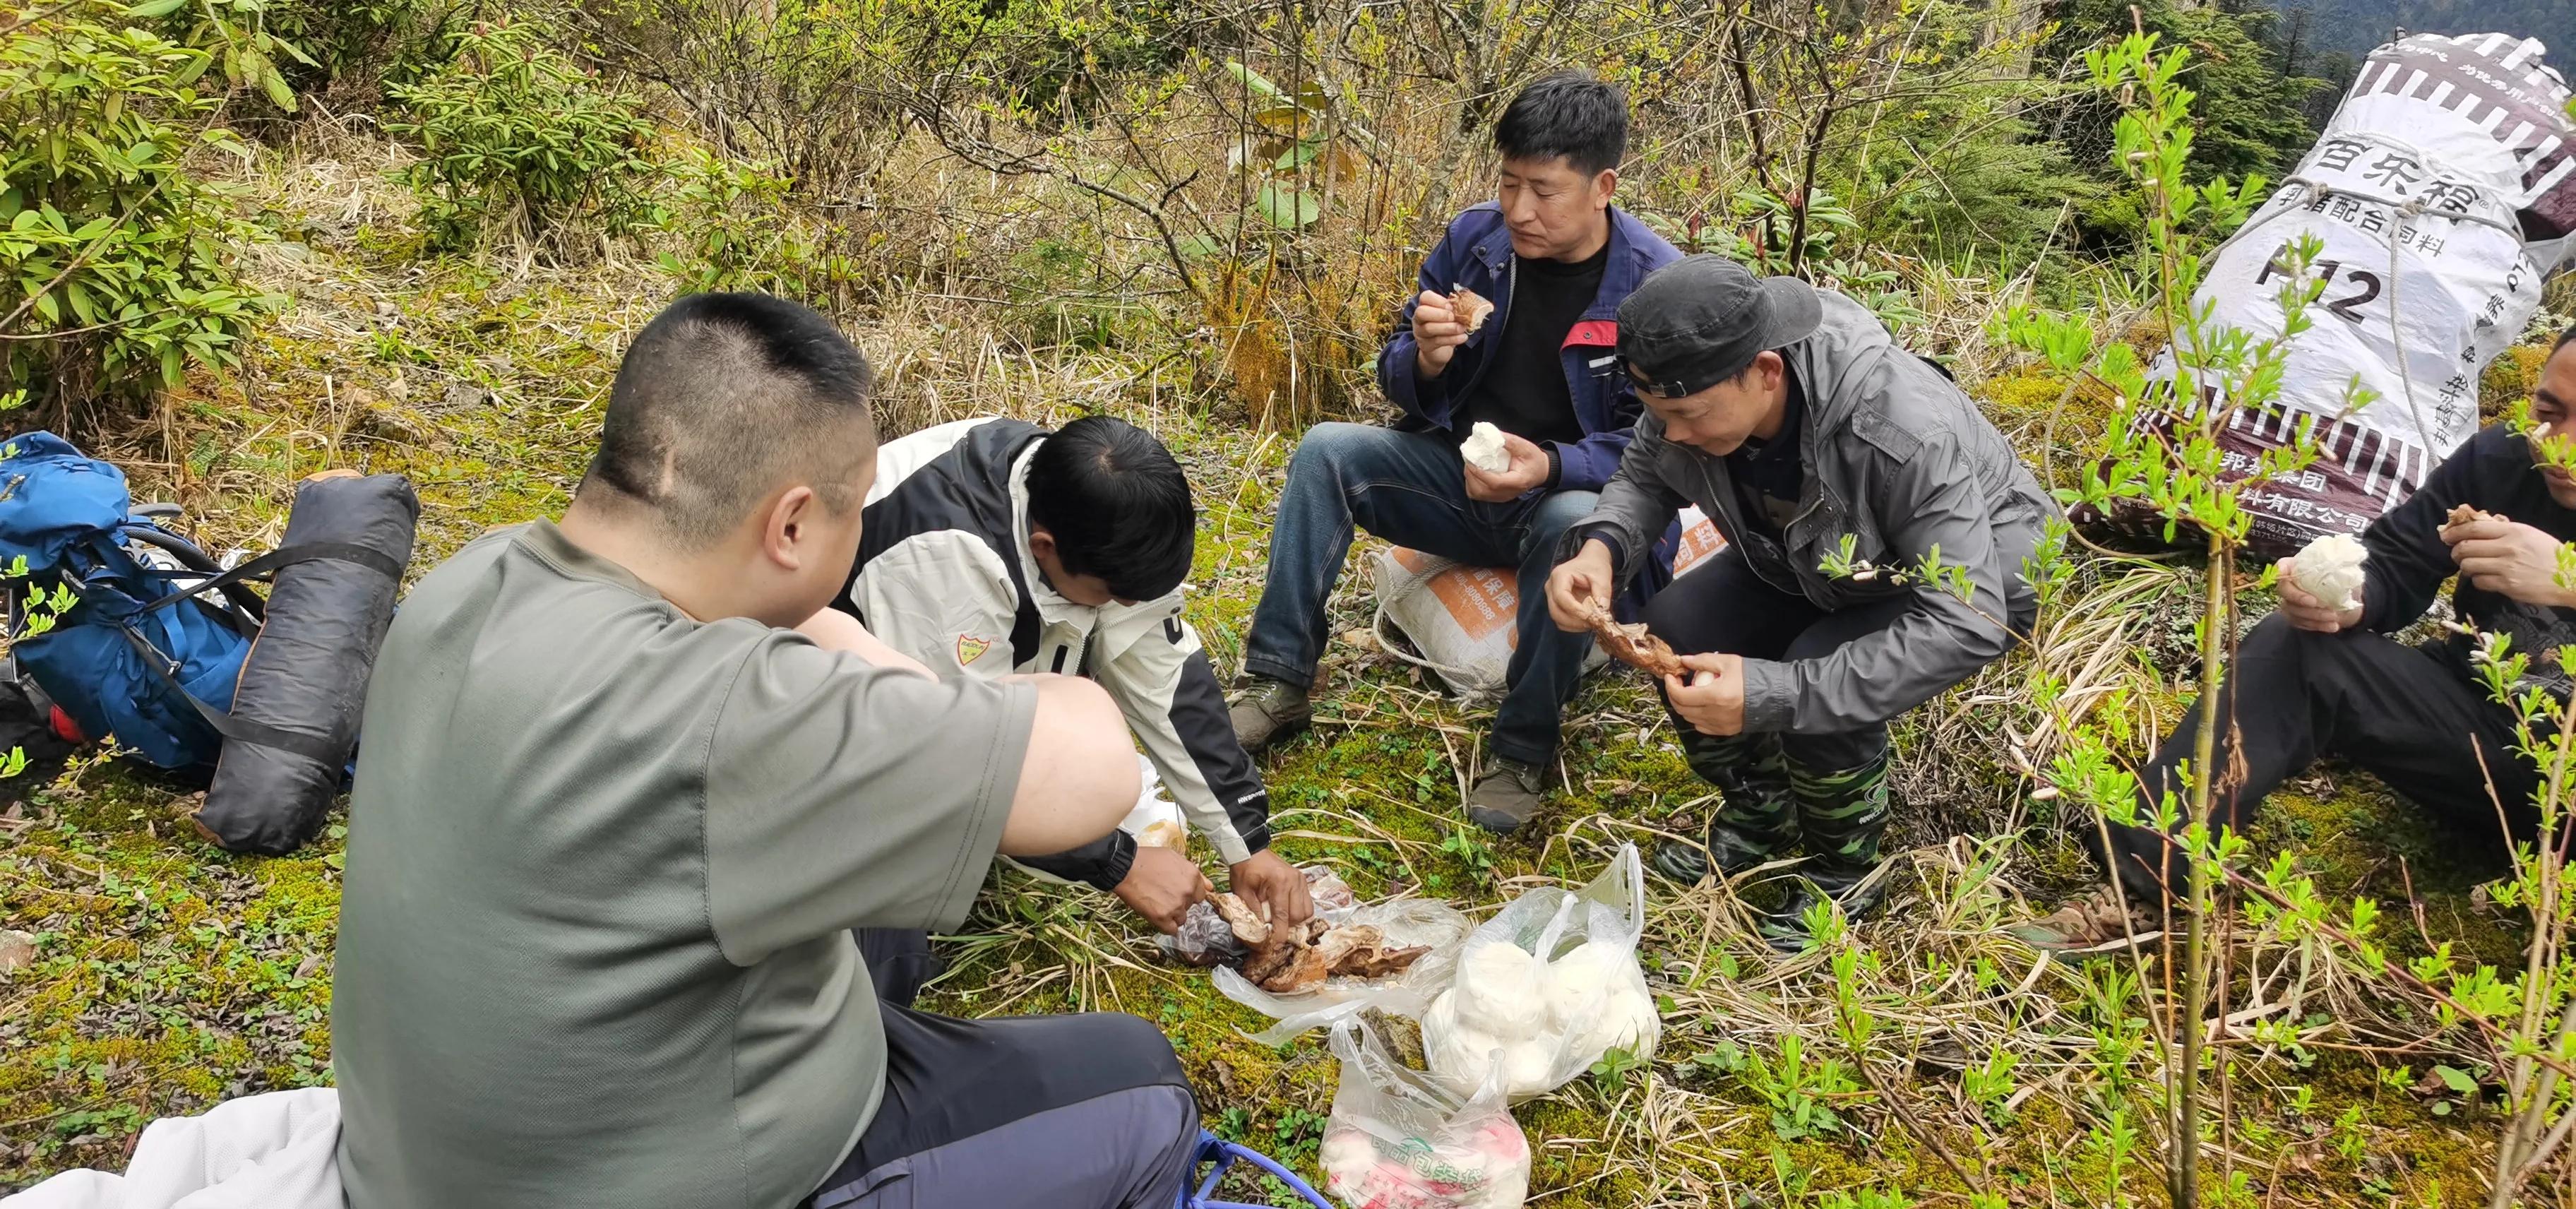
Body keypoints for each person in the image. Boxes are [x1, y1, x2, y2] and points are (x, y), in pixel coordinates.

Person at [330, 293, 1200, 1209]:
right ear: (790, 526)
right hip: (689, 1173)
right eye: (854, 509)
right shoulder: (731, 710)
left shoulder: (474, 576)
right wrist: (888, 667)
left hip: (434, 1157)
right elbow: (1092, 764)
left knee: (875, 910)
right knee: (1143, 1084)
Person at [1546, 255, 2050, 950]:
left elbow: (1966, 620)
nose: (1675, 433)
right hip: (1814, 557)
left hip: (1971, 579)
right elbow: (1644, 477)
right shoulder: (1690, 389)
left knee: (1814, 674)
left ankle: (1846, 870)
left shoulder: (1898, 431)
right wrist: (1600, 548)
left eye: (1688, 416)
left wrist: (1774, 693)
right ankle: (1762, 813)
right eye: (1662, 416)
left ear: (1766, 371)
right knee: (1680, 624)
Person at [2019, 326, 2576, 950]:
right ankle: (2148, 883)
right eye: (2549, 413)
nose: (2560, 447)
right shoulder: (2504, 459)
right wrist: (2344, 597)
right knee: (2299, 646)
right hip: (2483, 735)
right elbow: (2397, 562)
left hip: (2567, 785)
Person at [1229, 71, 1683, 832]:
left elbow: (1663, 446)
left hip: (1572, 509)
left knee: (1569, 518)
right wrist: (1427, 360)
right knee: (1325, 451)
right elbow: (1397, 371)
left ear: (1603, 187)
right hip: (1460, 484)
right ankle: (1278, 679)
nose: (1519, 210)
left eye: (1544, 190)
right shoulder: (1476, 244)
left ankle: (1524, 745)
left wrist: (1551, 465)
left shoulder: (1656, 287)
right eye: (1508, 183)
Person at [835, 412, 1312, 935]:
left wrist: (1247, 842)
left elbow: (1165, 676)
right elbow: (958, 759)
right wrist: (1120, 864)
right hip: (841, 732)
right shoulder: (942, 566)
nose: (1123, 605)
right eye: (1110, 594)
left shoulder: (1087, 503)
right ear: (1044, 547)